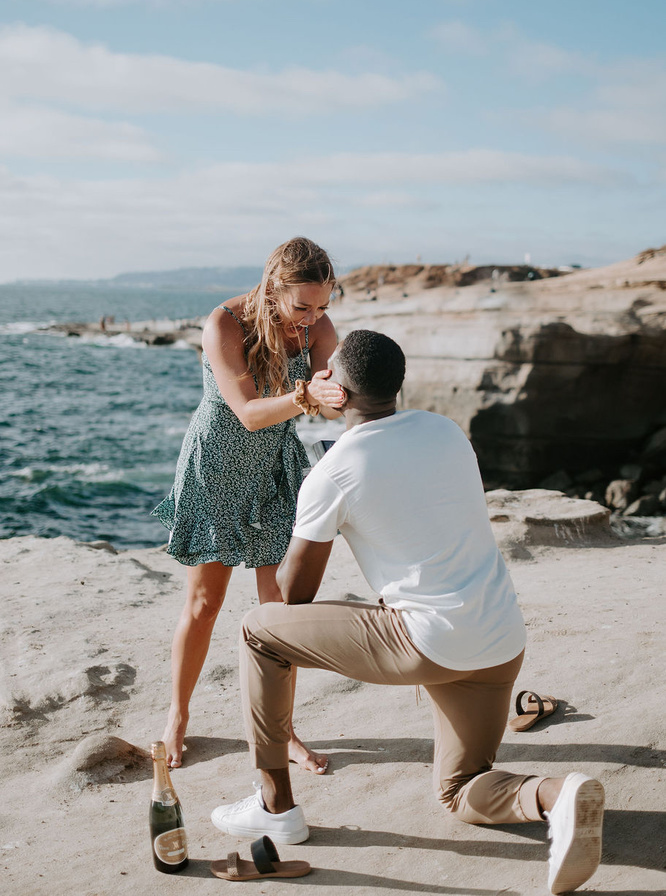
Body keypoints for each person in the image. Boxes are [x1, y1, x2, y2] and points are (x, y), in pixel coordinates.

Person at [211, 329, 605, 895]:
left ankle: (275, 806)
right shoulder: (445, 430)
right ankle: (557, 795)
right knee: (461, 791)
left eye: (329, 378)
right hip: (499, 640)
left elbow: (292, 599)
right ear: (398, 384)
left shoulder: (333, 471)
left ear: (336, 393)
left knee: (259, 631)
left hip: (428, 642)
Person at [152, 238, 346, 771]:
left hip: (275, 466)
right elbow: (247, 412)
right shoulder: (225, 324)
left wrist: (335, 395)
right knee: (205, 603)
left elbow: (330, 409)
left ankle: (280, 731)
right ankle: (178, 716)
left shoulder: (318, 328)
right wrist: (309, 395)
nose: (313, 320)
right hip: (218, 461)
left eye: (324, 306)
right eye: (303, 306)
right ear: (272, 289)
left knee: (278, 613)